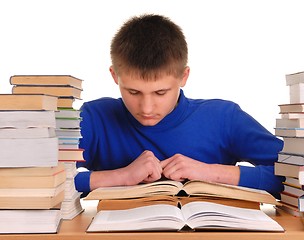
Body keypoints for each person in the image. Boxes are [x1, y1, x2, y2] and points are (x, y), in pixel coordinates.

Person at [75, 13, 284, 198]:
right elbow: (45, 181)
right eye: (133, 92)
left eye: (160, 92)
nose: (146, 108)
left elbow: (303, 176)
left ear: (183, 76)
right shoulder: (95, 119)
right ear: (114, 76)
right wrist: (121, 176)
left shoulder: (224, 118)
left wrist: (209, 173)